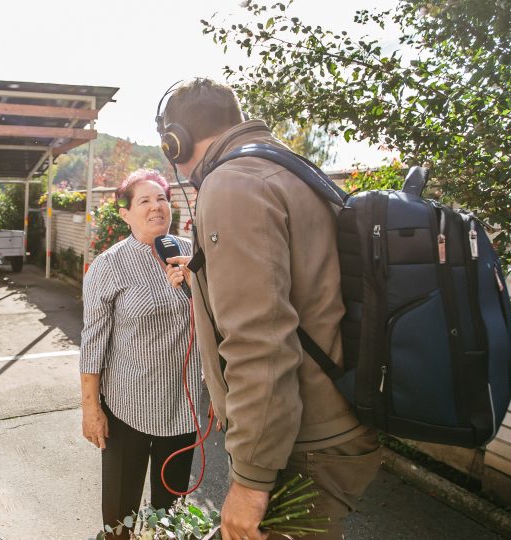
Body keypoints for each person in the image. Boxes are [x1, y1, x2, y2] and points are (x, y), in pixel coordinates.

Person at [158, 78, 381, 540]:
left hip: (304, 445)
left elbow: (261, 341)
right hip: (329, 426)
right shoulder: (288, 168)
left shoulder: (232, 185)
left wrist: (251, 481)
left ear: (174, 140)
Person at [80, 169, 202, 538]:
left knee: (172, 513)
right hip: (127, 408)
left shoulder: (193, 254)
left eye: (162, 198)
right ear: (125, 213)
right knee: (119, 514)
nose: (156, 207)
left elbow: (220, 323)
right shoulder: (108, 266)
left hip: (182, 407)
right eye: (145, 201)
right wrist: (91, 408)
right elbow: (93, 343)